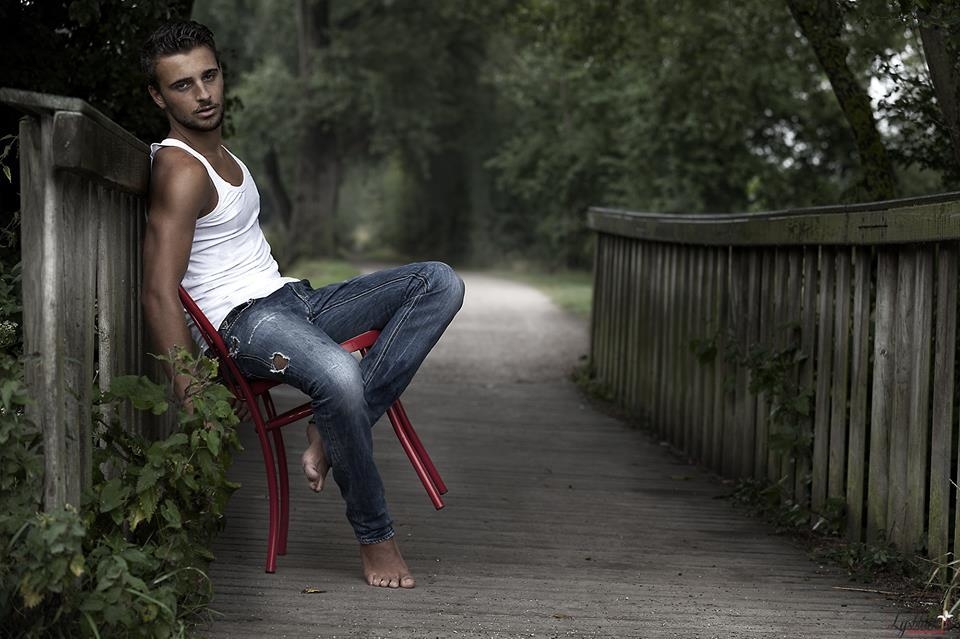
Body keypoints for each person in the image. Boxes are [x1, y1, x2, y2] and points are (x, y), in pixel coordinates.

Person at [139, 20, 464, 589]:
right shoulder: (180, 169)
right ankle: (375, 536)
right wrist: (194, 396)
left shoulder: (223, 156)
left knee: (438, 282)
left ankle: (329, 429)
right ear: (158, 96)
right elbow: (158, 291)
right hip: (245, 325)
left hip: (292, 300)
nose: (203, 94)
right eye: (183, 85)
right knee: (339, 373)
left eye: (209, 76)